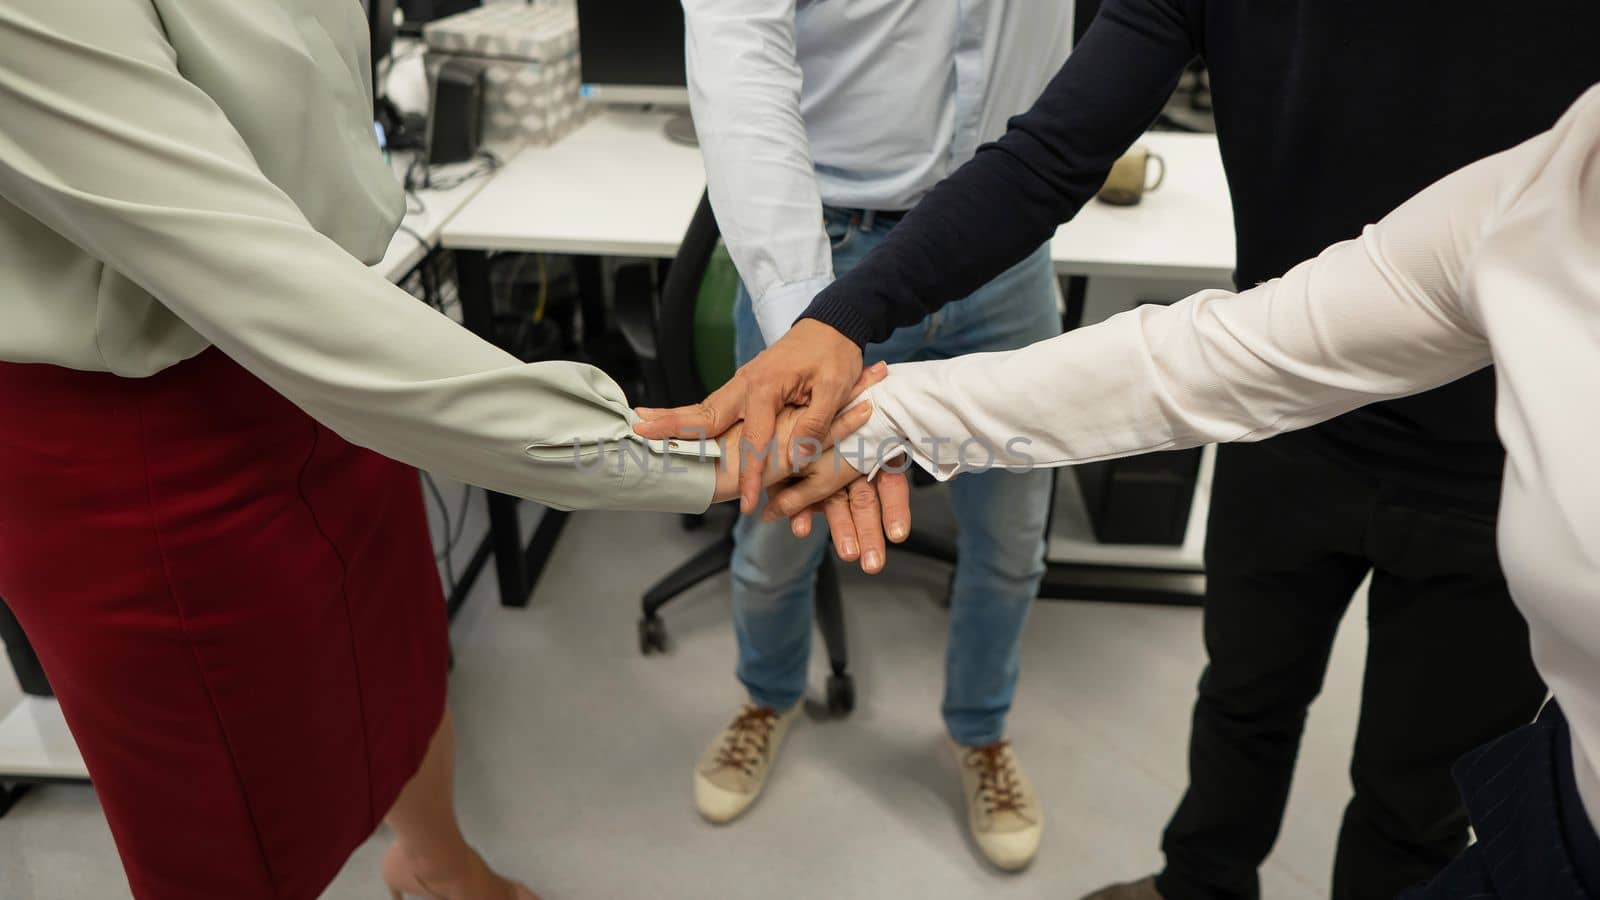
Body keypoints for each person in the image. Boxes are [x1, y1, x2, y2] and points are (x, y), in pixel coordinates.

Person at [639, 2, 1600, 896]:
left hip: (1492, 479)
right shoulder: (1505, 209)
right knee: (1241, 698)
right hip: (1283, 427)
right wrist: (851, 349)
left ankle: (982, 735)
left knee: (1415, 798)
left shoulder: (1554, 167)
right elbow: (1230, 353)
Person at [0, 3, 859, 898]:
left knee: (403, 658)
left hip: (351, 345)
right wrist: (694, 461)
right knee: (220, 818)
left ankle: (436, 862)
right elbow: (247, 276)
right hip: (142, 428)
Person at [671, 0, 1072, 870]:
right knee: (779, 524)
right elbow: (740, 66)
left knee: (1011, 535)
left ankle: (980, 734)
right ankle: (765, 700)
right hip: (836, 251)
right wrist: (807, 320)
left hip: (1007, 248)